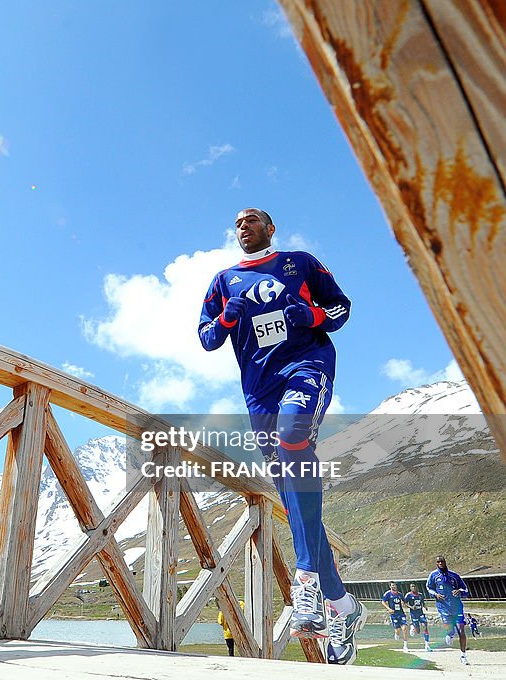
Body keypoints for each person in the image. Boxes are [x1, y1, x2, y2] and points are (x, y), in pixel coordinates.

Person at [199, 208, 360, 665]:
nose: (243, 226)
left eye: (252, 220)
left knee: (294, 436)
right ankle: (343, 607)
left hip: (306, 368)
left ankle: (305, 578)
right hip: (260, 391)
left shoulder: (300, 263)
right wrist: (228, 318)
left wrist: (310, 314)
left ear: (271, 228)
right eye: (237, 222)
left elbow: (340, 308)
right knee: (294, 503)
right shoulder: (224, 279)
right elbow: (207, 338)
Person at [426, 555, 470, 665]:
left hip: (457, 607)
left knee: (461, 630)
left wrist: (460, 591)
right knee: (450, 629)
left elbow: (465, 589)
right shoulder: (433, 575)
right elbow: (428, 588)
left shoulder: (454, 576)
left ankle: (463, 655)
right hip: (443, 607)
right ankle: (449, 634)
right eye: (438, 562)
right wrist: (435, 594)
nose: (440, 563)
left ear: (445, 562)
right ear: (436, 564)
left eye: (442, 561)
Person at [382, 582, 410, 652]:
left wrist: (409, 606)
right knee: (398, 630)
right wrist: (389, 609)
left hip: (401, 613)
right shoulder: (388, 594)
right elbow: (383, 602)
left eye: (394, 585)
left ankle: (405, 646)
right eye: (392, 585)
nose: (394, 586)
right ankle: (396, 634)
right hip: (394, 614)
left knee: (405, 628)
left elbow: (404, 602)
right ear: (390, 587)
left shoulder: (400, 594)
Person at [404, 583, 432, 651]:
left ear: (416, 587)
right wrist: (411, 607)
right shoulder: (408, 595)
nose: (413, 588)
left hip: (421, 613)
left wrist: (425, 606)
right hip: (414, 614)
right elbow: (404, 603)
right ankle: (413, 627)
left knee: (425, 626)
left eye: (414, 586)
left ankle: (427, 645)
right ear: (410, 588)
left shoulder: (420, 595)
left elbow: (422, 602)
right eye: (412, 587)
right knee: (418, 631)